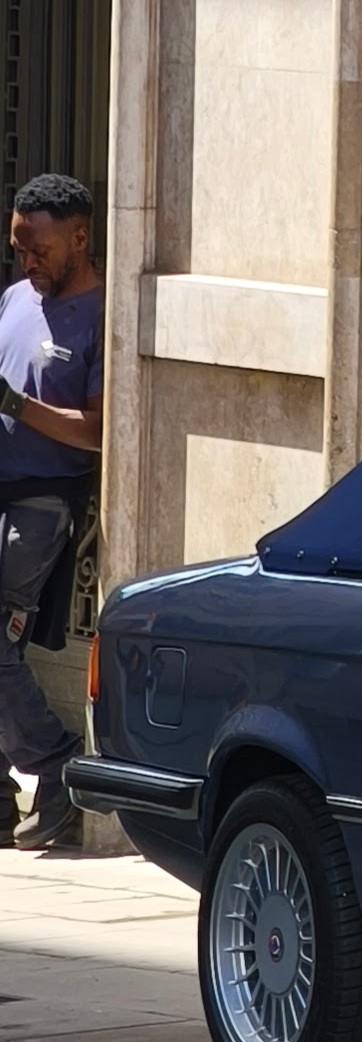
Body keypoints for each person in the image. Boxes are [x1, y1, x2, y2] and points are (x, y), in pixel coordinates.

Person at [0, 174, 102, 850]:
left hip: (41, 502)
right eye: (18, 250)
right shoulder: (14, 299)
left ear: (79, 238)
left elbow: (99, 430)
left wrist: (16, 405)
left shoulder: (101, 315)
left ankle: (59, 764)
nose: (27, 264)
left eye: (37, 250)